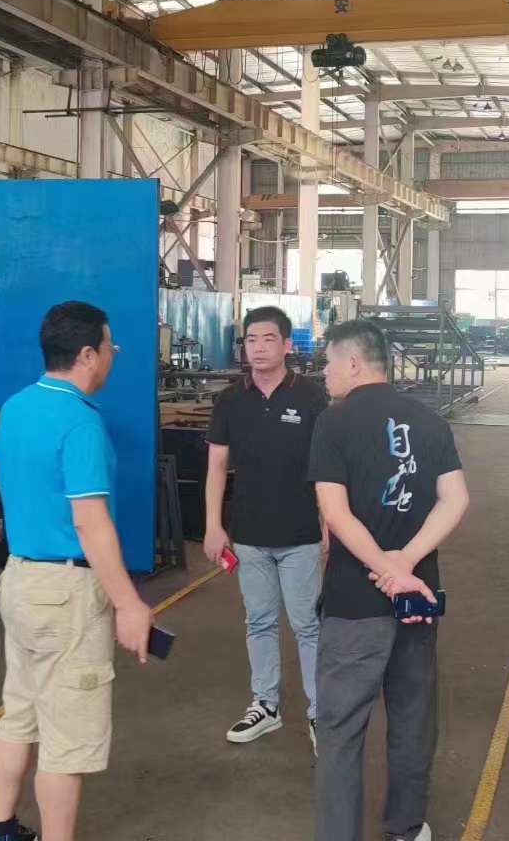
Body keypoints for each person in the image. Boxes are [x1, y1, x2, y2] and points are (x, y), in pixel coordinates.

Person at [0, 301, 153, 841]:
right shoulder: (80, 422)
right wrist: (128, 602)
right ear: (86, 354)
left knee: (19, 714)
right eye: (109, 347)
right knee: (66, 743)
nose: (112, 357)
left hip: (20, 581)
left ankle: (3, 830)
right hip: (65, 594)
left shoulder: (17, 406)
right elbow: (90, 523)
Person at [309, 319, 471, 841]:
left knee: (340, 729)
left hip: (355, 602)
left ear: (354, 363)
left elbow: (336, 515)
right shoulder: (429, 421)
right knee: (412, 717)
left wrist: (385, 569)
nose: (325, 373)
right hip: (416, 601)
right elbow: (456, 499)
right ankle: (405, 828)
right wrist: (406, 564)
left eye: (329, 363)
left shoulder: (333, 423)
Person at [204, 306, 329, 749]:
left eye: (268, 339)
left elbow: (327, 468)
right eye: (251, 340)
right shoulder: (230, 400)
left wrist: (329, 524)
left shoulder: (311, 397)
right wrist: (213, 525)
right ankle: (266, 705)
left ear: (287, 345)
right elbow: (216, 466)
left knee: (307, 625)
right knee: (258, 621)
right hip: (249, 535)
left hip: (300, 535)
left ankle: (320, 713)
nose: (258, 348)